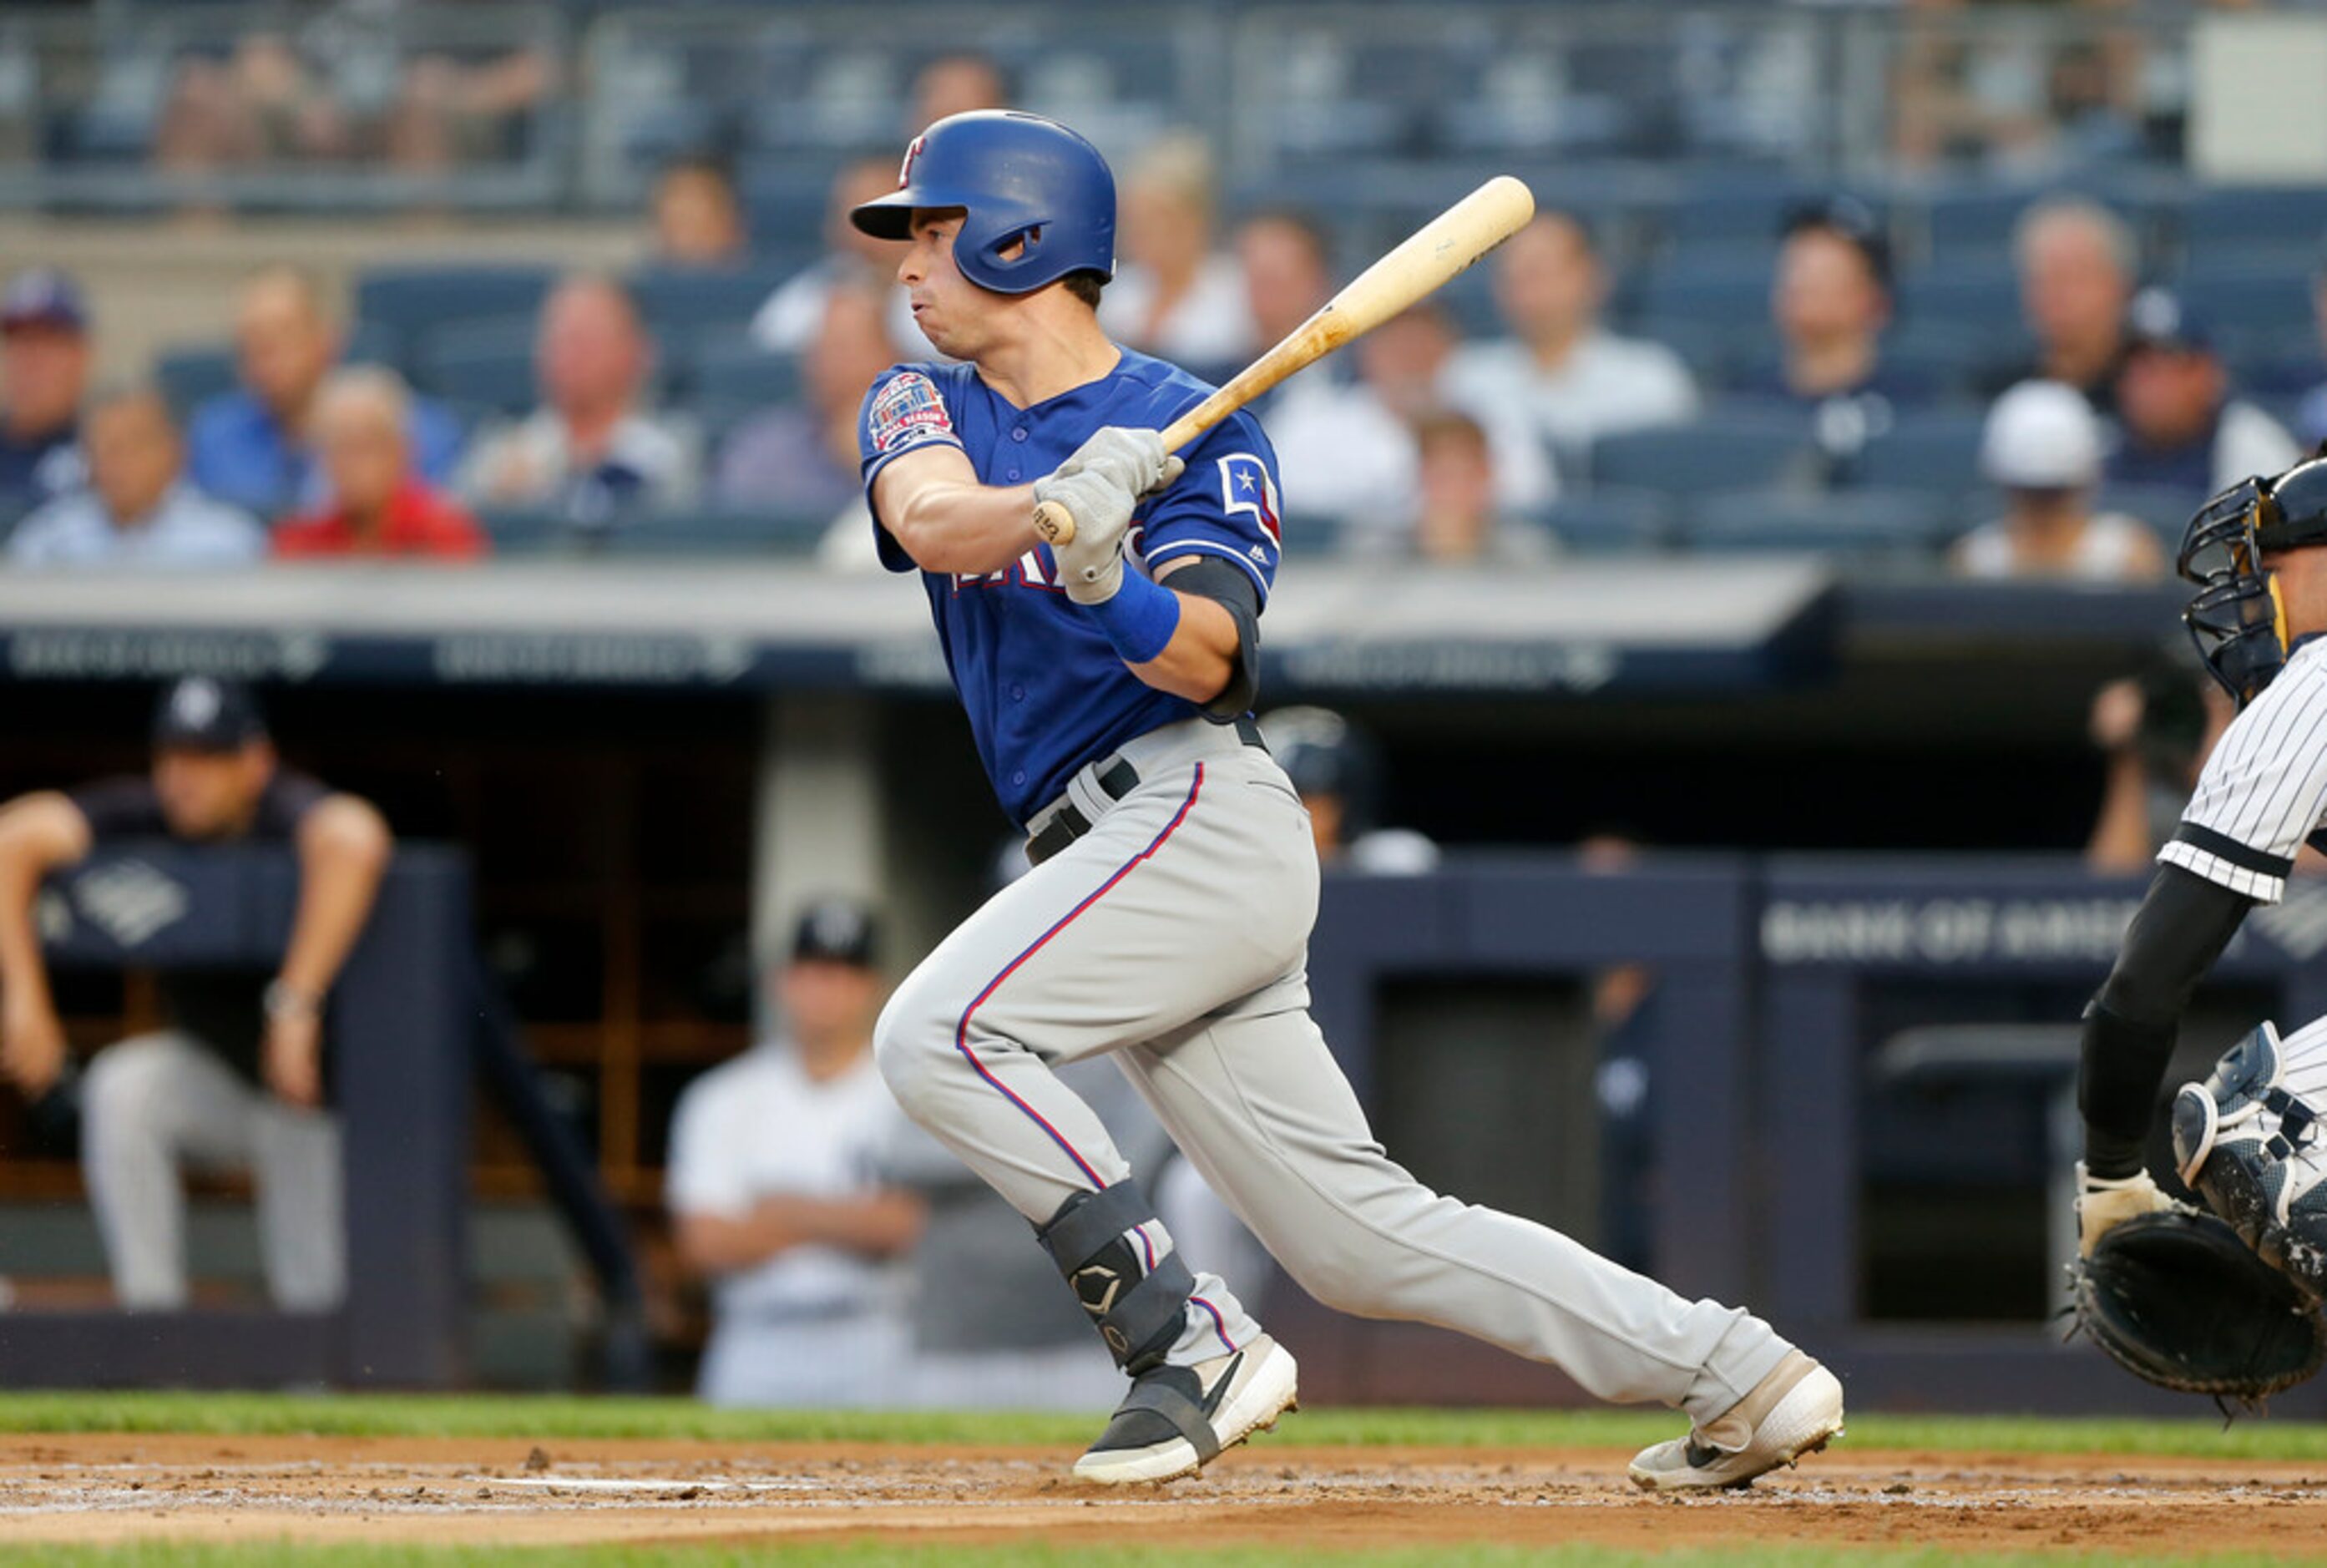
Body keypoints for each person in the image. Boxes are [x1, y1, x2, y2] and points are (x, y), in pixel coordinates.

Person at [852, 109, 1840, 1490]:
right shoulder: (922, 402)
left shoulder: (1197, 427)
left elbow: (1202, 653)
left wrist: (1106, 571)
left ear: (1025, 238)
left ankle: (1183, 1340)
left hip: (1192, 815)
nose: (908, 261)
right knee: (1359, 1240)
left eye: (936, 230)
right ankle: (1737, 1366)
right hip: (1101, 848)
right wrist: (1056, 508)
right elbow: (930, 520)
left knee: (939, 1034)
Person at [0, 677, 392, 1311]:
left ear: (255, 762)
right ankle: (153, 1321)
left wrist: (296, 1002)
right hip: (217, 1075)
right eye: (173, 757)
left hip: (312, 1092)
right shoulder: (147, 813)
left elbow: (356, 837)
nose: (185, 777)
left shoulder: (282, 811)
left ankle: (316, 1382)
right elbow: (10, 838)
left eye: (208, 758)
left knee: (314, 1293)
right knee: (123, 1089)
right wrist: (26, 999)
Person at [2071, 457, 2327, 1301]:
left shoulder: (2316, 685)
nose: (2253, 600)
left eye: (2272, 568)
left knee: (2252, 1127)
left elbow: (2142, 985)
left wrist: (2111, 1176)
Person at [665, 898, 927, 1407]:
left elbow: (911, 1226)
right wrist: (851, 1220)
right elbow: (706, 1242)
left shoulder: (905, 1092)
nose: (826, 989)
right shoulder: (722, 1097)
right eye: (814, 971)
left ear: (872, 985)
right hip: (756, 1339)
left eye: (843, 973)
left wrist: (783, 1212)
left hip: (875, 1336)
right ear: (783, 980)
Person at [188, 266, 463, 520]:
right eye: (250, 341)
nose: (263, 354)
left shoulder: (406, 426)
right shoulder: (213, 437)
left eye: (282, 336)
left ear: (326, 339)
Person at [1442, 212, 1697, 471]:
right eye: (1513, 276)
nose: (1527, 290)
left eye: (1540, 272)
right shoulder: (1465, 378)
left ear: (1592, 276)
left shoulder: (1651, 380)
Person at [456, 275, 700, 527]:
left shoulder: (671, 453)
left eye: (587, 339)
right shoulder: (501, 449)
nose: (569, 353)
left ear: (637, 350)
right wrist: (501, 502)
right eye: (559, 337)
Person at [8, 385, 267, 569]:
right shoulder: (48, 542)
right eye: (106, 448)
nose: (119, 462)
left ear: (175, 451)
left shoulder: (229, 542)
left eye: (135, 445)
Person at [714, 280, 897, 526]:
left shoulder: (933, 440)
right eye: (821, 350)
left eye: (847, 349)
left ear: (893, 356)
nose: (831, 365)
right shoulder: (765, 447)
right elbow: (733, 530)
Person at [1950, 380, 2163, 582]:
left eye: (2054, 494)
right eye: (2033, 494)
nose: (2044, 510)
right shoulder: (1976, 561)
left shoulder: (2128, 554)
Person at [2107, 288, 2299, 500]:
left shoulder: (2253, 447)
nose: (2142, 381)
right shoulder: (2101, 445)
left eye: (2160, 366)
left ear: (2207, 372)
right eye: (2132, 366)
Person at [275, 366, 486, 559]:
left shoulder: (445, 533)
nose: (351, 464)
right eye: (340, 448)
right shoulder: (302, 542)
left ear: (401, 450)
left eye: (366, 445)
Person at [1097, 134, 1253, 370]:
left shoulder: (1240, 293)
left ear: (1195, 220)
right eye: (1132, 219)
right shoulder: (1115, 296)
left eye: (1156, 218)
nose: (1140, 232)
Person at [750, 158, 917, 357]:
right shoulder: (825, 282)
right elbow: (770, 335)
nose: (867, 231)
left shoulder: (946, 286)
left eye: (884, 215)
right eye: (854, 213)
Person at [1997, 197, 2137, 417]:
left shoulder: (2147, 394)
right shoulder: (2000, 393)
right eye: (2041, 279)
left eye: (2073, 278)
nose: (2055, 294)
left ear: (2120, 286)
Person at [1259, 706, 1439, 877]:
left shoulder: (1395, 862)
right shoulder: (1245, 869)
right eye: (1280, 800)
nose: (1295, 817)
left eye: (1310, 799)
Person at [0, 270, 93, 521]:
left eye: (46, 346)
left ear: (81, 356)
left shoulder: (106, 454)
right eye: (19, 345)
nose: (30, 363)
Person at [1409, 410, 1556, 567]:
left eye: (1467, 474)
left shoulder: (1528, 552)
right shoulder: (1388, 555)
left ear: (1487, 475)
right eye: (1444, 475)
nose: (1456, 489)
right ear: (1422, 476)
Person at [650, 155, 749, 269]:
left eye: (695, 225)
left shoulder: (766, 282)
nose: (684, 242)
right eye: (674, 226)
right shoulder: (640, 279)